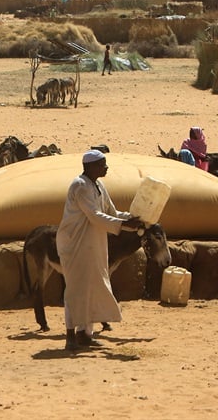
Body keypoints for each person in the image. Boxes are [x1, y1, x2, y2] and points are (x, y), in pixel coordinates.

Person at [57, 150, 142, 351]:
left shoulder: (98, 185)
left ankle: (85, 334)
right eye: (102, 164)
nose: (106, 167)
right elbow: (95, 216)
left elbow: (110, 212)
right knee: (76, 289)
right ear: (91, 166)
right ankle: (70, 336)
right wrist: (123, 225)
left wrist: (132, 218)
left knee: (93, 286)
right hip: (75, 244)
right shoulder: (80, 186)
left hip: (93, 243)